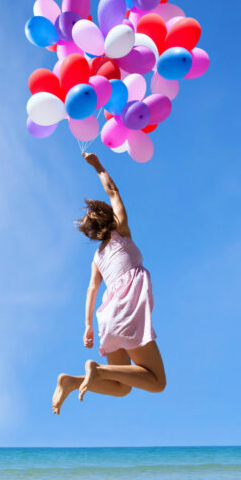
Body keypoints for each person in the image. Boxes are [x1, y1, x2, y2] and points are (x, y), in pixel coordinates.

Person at [52, 152, 167, 415]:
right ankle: (97, 369)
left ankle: (71, 382)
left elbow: (91, 289)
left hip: (108, 320)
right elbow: (113, 191)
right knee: (157, 382)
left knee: (121, 387)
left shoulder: (97, 257)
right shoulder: (122, 232)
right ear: (110, 219)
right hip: (126, 313)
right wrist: (97, 165)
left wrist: (88, 326)